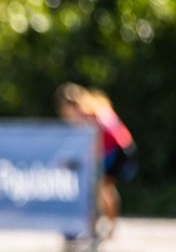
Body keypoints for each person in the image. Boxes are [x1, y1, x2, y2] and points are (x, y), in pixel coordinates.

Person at [55, 82, 137, 239]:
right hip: (112, 152)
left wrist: (89, 163)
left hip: (119, 151)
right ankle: (98, 228)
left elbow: (100, 143)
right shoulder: (89, 115)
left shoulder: (93, 114)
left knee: (104, 189)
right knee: (100, 190)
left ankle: (108, 229)